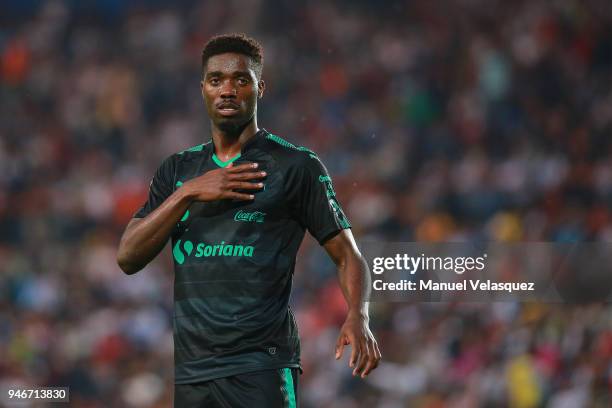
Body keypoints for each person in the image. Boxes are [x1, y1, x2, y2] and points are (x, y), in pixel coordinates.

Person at [116, 33, 380, 407]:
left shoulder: (295, 166)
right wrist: (188, 192)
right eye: (216, 80)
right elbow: (127, 257)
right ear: (203, 89)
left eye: (241, 80)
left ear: (260, 88)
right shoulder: (179, 171)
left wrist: (359, 314)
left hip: (262, 366)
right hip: (194, 371)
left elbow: (347, 253)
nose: (227, 90)